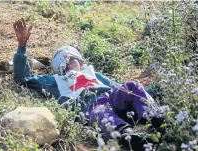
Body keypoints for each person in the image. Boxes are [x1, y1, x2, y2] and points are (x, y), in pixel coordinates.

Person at [12, 19, 163, 151]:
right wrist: (22, 46)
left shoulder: (93, 74)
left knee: (131, 86)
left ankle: (158, 119)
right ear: (60, 66)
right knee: (99, 110)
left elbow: (121, 88)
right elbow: (23, 77)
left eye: (73, 60)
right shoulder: (54, 81)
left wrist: (153, 91)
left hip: (111, 98)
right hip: (90, 107)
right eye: (67, 61)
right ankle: (128, 136)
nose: (71, 64)